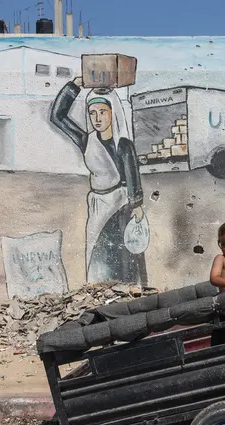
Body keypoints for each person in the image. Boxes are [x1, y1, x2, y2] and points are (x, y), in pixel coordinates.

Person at [50, 76, 147, 285]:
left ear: (113, 113)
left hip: (120, 206)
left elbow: (132, 177)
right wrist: (74, 86)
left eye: (102, 112)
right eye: (92, 113)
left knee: (124, 255)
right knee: (97, 252)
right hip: (98, 206)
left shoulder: (124, 145)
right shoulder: (87, 141)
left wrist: (137, 205)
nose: (97, 118)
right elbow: (57, 117)